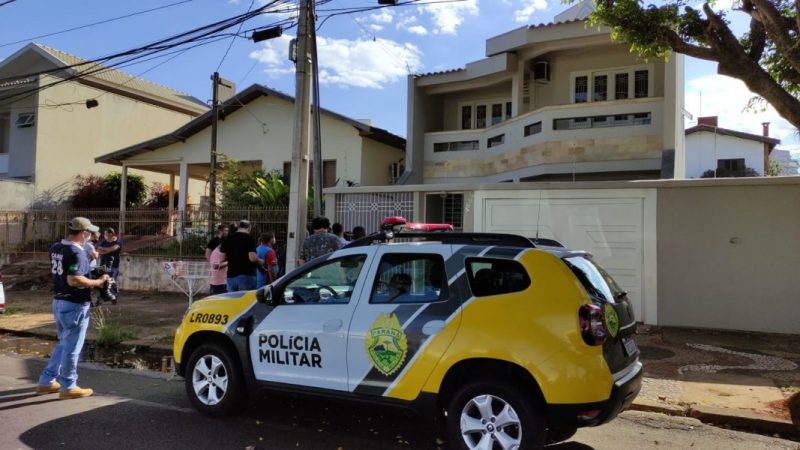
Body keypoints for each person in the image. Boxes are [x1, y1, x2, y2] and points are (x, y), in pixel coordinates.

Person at [36, 217, 109, 400]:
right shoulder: (77, 252)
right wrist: (98, 282)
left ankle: (47, 381)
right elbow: (74, 279)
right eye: (90, 233)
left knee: (63, 343)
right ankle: (69, 386)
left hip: (59, 301)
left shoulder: (56, 247)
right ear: (83, 233)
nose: (91, 236)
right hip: (75, 304)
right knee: (72, 347)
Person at [219, 220, 263, 292]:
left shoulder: (227, 239)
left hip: (231, 276)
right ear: (249, 228)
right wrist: (260, 261)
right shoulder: (249, 238)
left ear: (238, 227)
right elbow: (252, 258)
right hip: (246, 275)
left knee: (233, 301)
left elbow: (222, 258)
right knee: (246, 301)